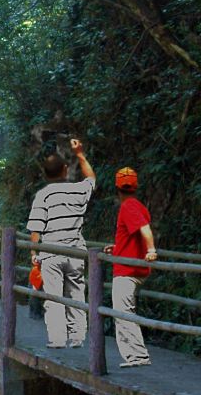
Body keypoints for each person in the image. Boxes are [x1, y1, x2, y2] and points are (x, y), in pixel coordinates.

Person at [27, 138, 96, 348]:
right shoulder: (78, 191)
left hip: (51, 253)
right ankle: (77, 338)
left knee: (54, 297)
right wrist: (80, 154)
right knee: (76, 292)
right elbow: (92, 177)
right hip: (75, 251)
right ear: (65, 170)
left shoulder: (42, 196)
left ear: (45, 174)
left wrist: (33, 255)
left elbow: (36, 229)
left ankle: (57, 339)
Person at [107, 166, 156, 367]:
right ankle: (134, 355)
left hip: (127, 271)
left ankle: (138, 356)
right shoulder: (138, 206)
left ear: (117, 188)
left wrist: (152, 249)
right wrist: (118, 248)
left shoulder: (128, 207)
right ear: (135, 187)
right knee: (124, 311)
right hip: (131, 266)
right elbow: (135, 236)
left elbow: (144, 229)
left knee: (123, 312)